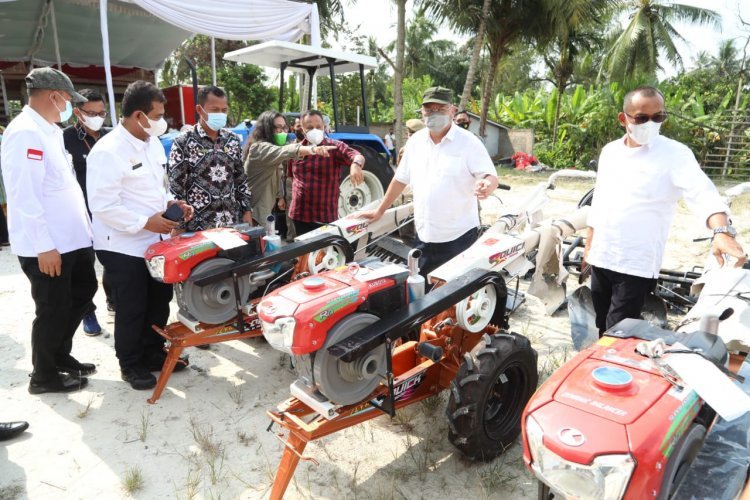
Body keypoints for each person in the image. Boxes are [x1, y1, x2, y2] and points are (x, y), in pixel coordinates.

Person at [585, 86, 745, 334]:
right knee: (601, 323)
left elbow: (702, 193)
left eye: (658, 117)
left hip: (635, 264)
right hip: (601, 257)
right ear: (623, 118)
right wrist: (589, 248)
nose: (650, 123)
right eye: (641, 118)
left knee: (618, 331)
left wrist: (721, 231)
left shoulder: (674, 154)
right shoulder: (610, 152)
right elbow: (600, 202)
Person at [87, 81, 194, 390]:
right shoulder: (108, 151)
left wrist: (171, 204)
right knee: (132, 307)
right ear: (138, 115)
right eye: (158, 114)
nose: (163, 121)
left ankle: (153, 353)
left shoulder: (150, 142)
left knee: (158, 302)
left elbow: (158, 187)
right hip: (122, 245)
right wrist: (145, 222)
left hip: (156, 241)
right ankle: (131, 364)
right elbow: (103, 205)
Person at [1, 67, 96, 394]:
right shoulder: (25, 133)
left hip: (70, 239)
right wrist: (44, 246)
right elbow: (23, 195)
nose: (70, 105)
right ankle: (43, 376)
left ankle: (59, 355)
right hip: (49, 244)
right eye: (69, 99)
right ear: (55, 95)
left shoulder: (50, 131)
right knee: (52, 308)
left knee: (82, 293)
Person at [359, 86, 499, 276]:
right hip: (425, 235)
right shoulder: (415, 142)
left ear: (452, 110)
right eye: (429, 109)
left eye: (440, 109)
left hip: (459, 237)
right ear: (422, 112)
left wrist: (487, 185)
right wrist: (380, 210)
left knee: (454, 295)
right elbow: (399, 180)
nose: (434, 113)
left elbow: (490, 176)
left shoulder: (469, 142)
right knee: (421, 289)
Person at [62, 88, 114, 335]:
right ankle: (87, 312)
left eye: (101, 112)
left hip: (109, 213)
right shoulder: (65, 139)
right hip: (79, 216)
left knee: (115, 263)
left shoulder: (111, 137)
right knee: (84, 269)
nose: (97, 117)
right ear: (77, 112)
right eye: (91, 113)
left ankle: (113, 301)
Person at [168, 86, 251, 231]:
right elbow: (176, 189)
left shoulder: (232, 140)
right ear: (200, 110)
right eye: (214, 110)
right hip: (198, 228)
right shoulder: (183, 142)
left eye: (224, 110)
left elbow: (240, 179)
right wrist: (178, 226)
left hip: (232, 224)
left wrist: (247, 211)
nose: (220, 114)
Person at [244, 111, 335, 224]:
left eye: (284, 127)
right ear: (266, 129)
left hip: (264, 213)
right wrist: (313, 149)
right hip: (251, 215)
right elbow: (286, 151)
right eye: (278, 127)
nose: (282, 132)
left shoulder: (273, 154)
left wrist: (281, 197)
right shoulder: (258, 149)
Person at [288, 110, 366, 235]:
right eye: (310, 127)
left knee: (325, 253)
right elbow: (292, 178)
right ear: (302, 129)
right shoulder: (295, 151)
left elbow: (356, 155)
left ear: (324, 127)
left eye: (318, 127)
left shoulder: (334, 147)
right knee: (304, 253)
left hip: (324, 216)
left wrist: (356, 165)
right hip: (300, 214)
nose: (315, 130)